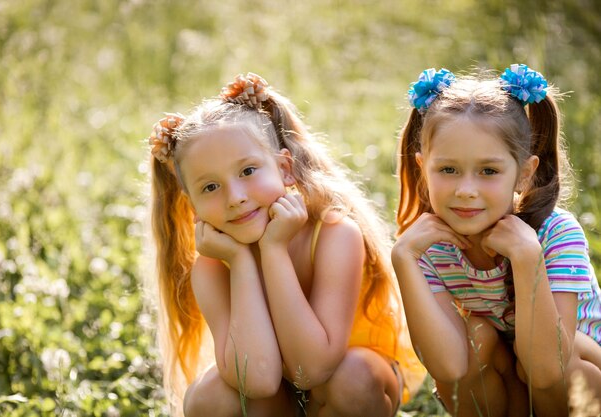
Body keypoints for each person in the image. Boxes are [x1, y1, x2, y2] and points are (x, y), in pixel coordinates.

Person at [146, 73, 425, 417]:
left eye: (248, 171)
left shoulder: (334, 233)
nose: (235, 198)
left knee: (352, 379)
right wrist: (243, 263)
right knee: (207, 400)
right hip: (279, 390)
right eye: (210, 188)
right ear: (192, 206)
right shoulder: (214, 264)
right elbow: (258, 381)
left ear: (285, 168)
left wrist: (274, 251)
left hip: (346, 375)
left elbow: (312, 368)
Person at [391, 64, 601, 416]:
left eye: (488, 171)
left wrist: (526, 257)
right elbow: (449, 371)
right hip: (514, 378)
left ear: (524, 173)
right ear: (422, 169)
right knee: (475, 338)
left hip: (576, 376)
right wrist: (403, 258)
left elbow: (549, 370)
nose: (466, 190)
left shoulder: (554, 233)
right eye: (448, 169)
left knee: (564, 357)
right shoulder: (428, 246)